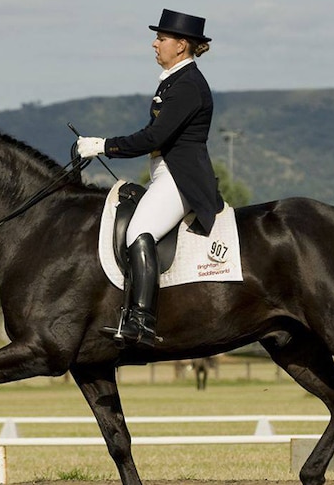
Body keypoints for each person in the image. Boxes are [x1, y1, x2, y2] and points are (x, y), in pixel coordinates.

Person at [77, 8, 224, 349]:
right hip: (166, 174)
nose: (155, 44)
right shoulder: (175, 80)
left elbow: (153, 137)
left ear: (181, 45)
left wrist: (104, 146)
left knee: (138, 232)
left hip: (181, 179)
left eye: (161, 38)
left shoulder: (188, 85)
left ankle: (141, 320)